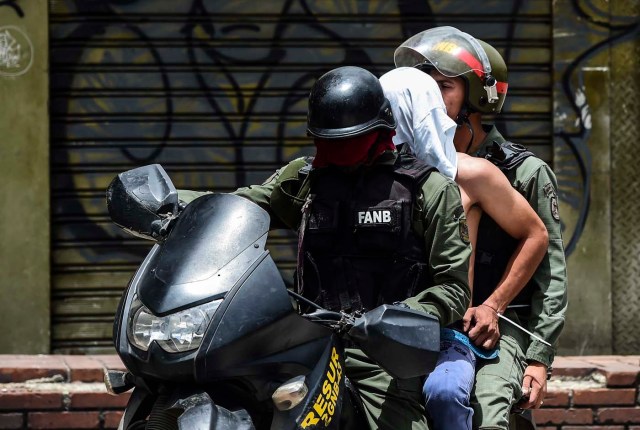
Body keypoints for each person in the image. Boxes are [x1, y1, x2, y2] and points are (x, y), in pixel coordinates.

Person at [181, 66, 471, 430]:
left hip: (380, 357)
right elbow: (238, 208)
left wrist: (395, 316)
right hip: (301, 345)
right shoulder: (305, 179)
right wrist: (174, 205)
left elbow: (455, 289)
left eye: (349, 139)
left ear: (380, 131)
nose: (335, 150)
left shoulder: (427, 190)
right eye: (327, 140)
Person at [394, 26, 568, 429]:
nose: (431, 97)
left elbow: (552, 269)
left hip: (499, 329)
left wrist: (539, 358)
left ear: (475, 96)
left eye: (444, 86)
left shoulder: (522, 172)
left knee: (489, 412)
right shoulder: (409, 165)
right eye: (424, 86)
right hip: (425, 327)